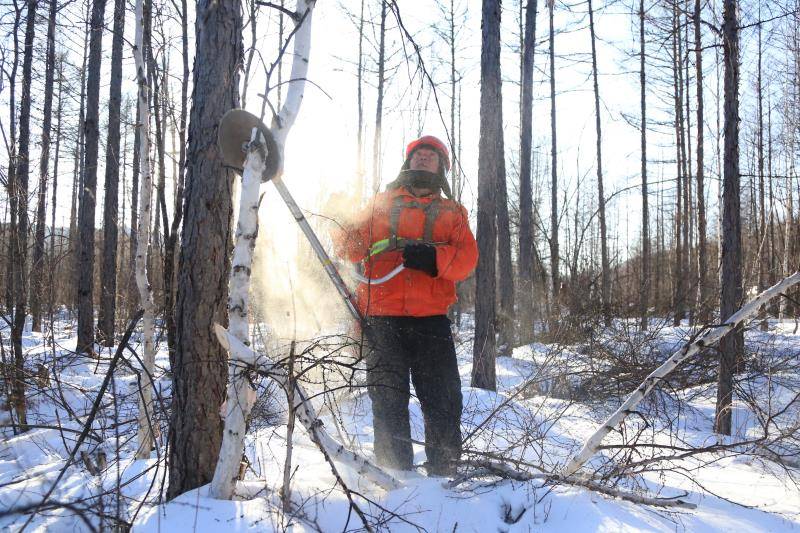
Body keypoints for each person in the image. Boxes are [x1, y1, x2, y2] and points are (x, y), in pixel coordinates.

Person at [334, 135, 478, 476]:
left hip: (431, 322)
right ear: (407, 161)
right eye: (419, 154)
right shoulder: (379, 204)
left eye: (432, 155)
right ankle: (395, 476)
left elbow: (466, 259)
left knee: (443, 400)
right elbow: (350, 249)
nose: (424, 158)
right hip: (382, 320)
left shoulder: (453, 212)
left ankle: (444, 474)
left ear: (442, 166)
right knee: (387, 401)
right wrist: (338, 218)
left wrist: (433, 258)